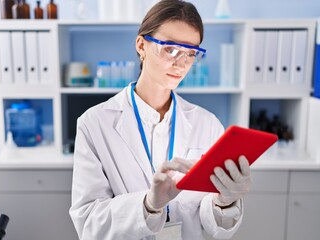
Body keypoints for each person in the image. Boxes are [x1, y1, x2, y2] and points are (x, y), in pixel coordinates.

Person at [69, 0, 252, 239]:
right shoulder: (94, 124)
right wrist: (148, 204)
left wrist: (224, 202)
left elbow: (213, 227)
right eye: (170, 49)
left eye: (191, 53)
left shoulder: (207, 125)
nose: (181, 63)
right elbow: (88, 223)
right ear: (141, 46)